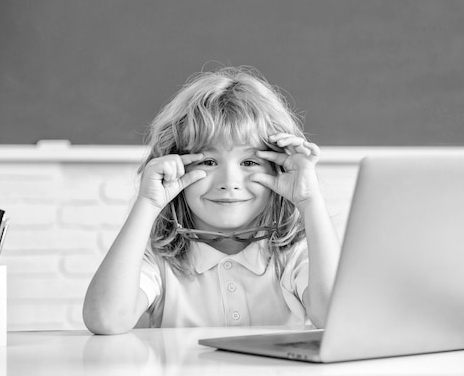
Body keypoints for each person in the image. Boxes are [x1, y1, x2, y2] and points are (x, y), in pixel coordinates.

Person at [82, 66, 340, 334]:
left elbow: (336, 317)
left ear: (280, 168)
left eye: (249, 162)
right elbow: (106, 319)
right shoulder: (159, 260)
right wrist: (148, 203)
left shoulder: (293, 255)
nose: (229, 182)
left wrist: (310, 201)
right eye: (208, 161)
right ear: (175, 167)